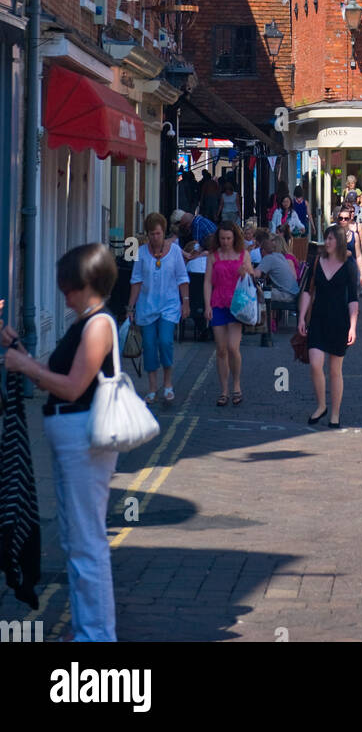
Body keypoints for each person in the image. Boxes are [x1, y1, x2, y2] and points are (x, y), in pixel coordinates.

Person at [1, 244, 120, 641]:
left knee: (87, 543)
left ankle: (97, 635)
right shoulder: (82, 322)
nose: (64, 294)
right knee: (76, 540)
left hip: (84, 437)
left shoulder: (99, 325)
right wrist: (14, 348)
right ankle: (88, 629)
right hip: (72, 439)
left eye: (69, 286)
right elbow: (47, 372)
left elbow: (71, 387)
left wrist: (22, 364)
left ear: (88, 283)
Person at [297, 224, 359, 428]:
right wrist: (301, 318)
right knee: (315, 363)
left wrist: (353, 326)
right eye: (326, 238)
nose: (328, 242)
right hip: (318, 319)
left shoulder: (348, 264)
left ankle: (335, 413)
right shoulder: (316, 261)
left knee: (335, 370)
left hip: (339, 321)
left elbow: (353, 298)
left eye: (332, 239)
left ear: (340, 242)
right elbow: (307, 290)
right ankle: (321, 405)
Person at [127, 212, 190, 404]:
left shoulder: (175, 252)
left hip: (169, 305)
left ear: (164, 232)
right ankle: (153, 387)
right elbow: (136, 281)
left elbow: (182, 278)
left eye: (158, 233)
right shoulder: (142, 253)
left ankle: (168, 383)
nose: (155, 237)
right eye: (152, 234)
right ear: (147, 235)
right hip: (147, 306)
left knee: (165, 342)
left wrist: (185, 301)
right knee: (149, 345)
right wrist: (130, 307)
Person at [204, 221, 260, 406]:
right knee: (221, 350)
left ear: (234, 238)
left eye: (228, 238)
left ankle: (236, 385)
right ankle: (224, 390)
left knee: (233, 348)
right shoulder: (212, 256)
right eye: (222, 238)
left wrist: (246, 272)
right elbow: (207, 282)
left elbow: (252, 276)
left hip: (237, 304)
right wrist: (207, 306)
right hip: (218, 302)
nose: (226, 241)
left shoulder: (244, 255)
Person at [258, 234, 301, 304]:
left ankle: (261, 314)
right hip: (293, 292)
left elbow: (256, 273)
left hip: (288, 294)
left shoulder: (275, 258)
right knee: (266, 291)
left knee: (259, 295)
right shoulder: (280, 257)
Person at [336, 202, 362, 289]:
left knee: (353, 297)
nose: (343, 220)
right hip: (338, 270)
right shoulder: (334, 234)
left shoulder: (356, 230)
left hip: (352, 268)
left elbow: (361, 249)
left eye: (353, 212)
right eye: (341, 218)